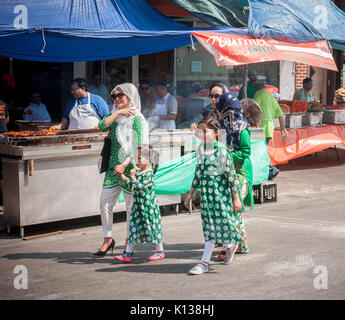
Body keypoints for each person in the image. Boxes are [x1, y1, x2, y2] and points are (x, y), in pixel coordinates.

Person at [184, 117, 244, 275]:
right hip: (206, 196)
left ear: (216, 133)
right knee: (210, 227)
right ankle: (230, 246)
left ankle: (204, 262)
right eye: (200, 131)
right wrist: (190, 194)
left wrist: (236, 197)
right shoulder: (200, 150)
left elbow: (231, 175)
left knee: (222, 224)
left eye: (206, 131)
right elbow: (198, 174)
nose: (202, 134)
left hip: (221, 196)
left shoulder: (222, 151)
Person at [94, 83, 148, 257]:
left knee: (130, 208)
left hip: (129, 169)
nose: (117, 99)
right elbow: (101, 126)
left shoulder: (137, 118)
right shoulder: (114, 116)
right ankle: (108, 238)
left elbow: (137, 145)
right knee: (104, 203)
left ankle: (128, 240)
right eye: (114, 96)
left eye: (120, 96)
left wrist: (125, 165)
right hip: (112, 168)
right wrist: (117, 112)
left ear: (129, 97)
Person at [215, 92, 254, 255]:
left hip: (238, 172)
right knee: (233, 211)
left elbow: (245, 151)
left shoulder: (242, 128)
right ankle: (240, 244)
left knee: (233, 210)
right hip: (224, 172)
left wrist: (227, 155)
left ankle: (232, 245)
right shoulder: (222, 125)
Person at [114, 144, 165, 263]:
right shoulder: (138, 172)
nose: (136, 161)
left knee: (153, 227)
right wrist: (122, 175)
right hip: (138, 207)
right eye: (135, 158)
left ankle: (160, 251)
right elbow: (132, 186)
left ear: (148, 159)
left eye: (139, 158)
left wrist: (132, 177)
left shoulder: (148, 173)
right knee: (133, 229)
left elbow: (141, 187)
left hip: (148, 207)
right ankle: (127, 253)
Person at [254, 81, 288, 179]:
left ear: (257, 89)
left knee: (260, 151)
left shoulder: (258, 94)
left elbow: (254, 108)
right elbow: (281, 115)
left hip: (260, 128)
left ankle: (271, 170)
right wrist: (283, 129)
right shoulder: (272, 98)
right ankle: (267, 171)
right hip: (269, 129)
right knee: (263, 149)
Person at [0, 99, 9, 204]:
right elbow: (7, 119)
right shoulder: (2, 102)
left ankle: (3, 200)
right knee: (3, 169)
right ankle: (5, 200)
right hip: (4, 137)